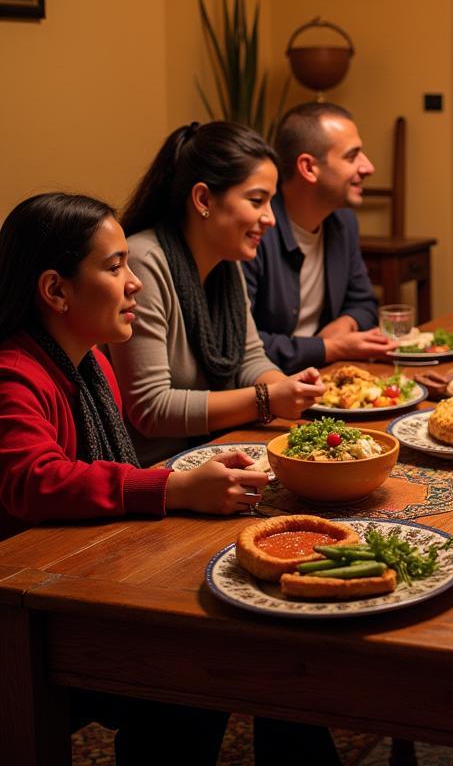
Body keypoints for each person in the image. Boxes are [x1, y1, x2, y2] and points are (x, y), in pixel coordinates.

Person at [0, 192, 269, 764]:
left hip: (79, 574)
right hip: (25, 609)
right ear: (55, 289)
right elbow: (32, 479)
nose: (135, 283)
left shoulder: (93, 362)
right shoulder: (14, 375)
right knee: (199, 664)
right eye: (115, 266)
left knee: (229, 647)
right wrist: (169, 487)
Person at [109, 122, 325, 465]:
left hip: (217, 449)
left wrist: (288, 389)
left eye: (271, 202)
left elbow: (250, 358)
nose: (270, 218)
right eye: (257, 201)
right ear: (203, 199)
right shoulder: (143, 263)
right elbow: (150, 408)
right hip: (158, 470)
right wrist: (267, 399)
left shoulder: (226, 262)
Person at [243, 101, 395, 372]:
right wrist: (330, 348)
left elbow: (363, 302)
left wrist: (345, 324)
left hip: (326, 374)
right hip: (270, 386)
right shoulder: (255, 231)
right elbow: (243, 344)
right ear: (308, 167)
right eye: (352, 156)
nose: (368, 167)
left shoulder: (343, 222)